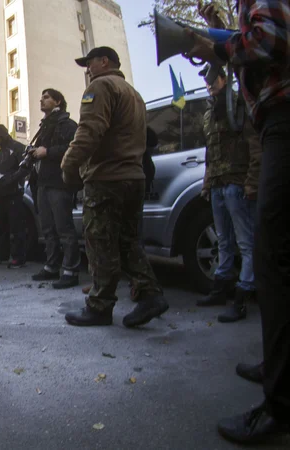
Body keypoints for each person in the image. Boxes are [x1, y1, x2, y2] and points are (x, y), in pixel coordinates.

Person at [186, 0, 290, 443]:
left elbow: (264, 41)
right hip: (258, 143)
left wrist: (219, 46)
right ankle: (278, 363)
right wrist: (216, 30)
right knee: (259, 250)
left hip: (280, 124)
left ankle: (281, 404)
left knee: (270, 256)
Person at [61, 47, 168, 328]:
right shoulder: (135, 94)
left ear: (104, 61)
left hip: (107, 177)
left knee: (99, 242)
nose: (87, 69)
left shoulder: (101, 86)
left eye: (90, 62)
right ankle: (150, 294)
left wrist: (69, 164)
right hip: (133, 176)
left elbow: (89, 131)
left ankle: (99, 306)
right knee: (126, 240)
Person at [196, 64, 261, 323]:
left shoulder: (239, 106)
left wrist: (251, 181)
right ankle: (221, 288)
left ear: (224, 79)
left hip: (237, 182)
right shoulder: (209, 114)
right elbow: (210, 154)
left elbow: (254, 145)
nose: (209, 84)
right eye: (207, 81)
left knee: (246, 243)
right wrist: (207, 183)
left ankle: (243, 296)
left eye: (213, 79)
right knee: (223, 240)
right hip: (219, 185)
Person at [29, 89, 81, 289]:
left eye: (47, 96)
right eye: (41, 96)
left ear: (58, 101)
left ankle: (70, 270)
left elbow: (73, 149)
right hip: (43, 182)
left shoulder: (68, 125)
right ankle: (51, 267)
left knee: (64, 228)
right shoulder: (44, 127)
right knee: (48, 229)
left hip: (60, 183)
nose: (42, 99)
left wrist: (47, 151)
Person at [0, 124, 28, 268]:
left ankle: (18, 257)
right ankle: (2, 254)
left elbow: (24, 168)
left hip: (14, 193)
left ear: (2, 135)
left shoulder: (17, 148)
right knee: (1, 226)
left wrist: (11, 180)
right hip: (1, 193)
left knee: (16, 226)